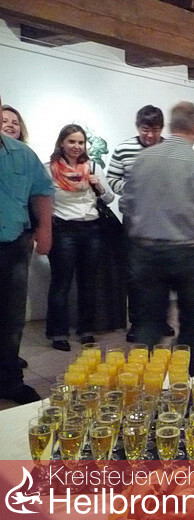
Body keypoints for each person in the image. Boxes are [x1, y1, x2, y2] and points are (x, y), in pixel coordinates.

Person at [120, 101, 194, 377]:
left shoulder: (143, 160)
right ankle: (185, 384)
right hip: (188, 255)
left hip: (146, 252)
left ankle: (144, 386)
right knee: (191, 324)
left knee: (148, 324)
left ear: (170, 126)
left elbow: (126, 204)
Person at [105, 105, 175, 342]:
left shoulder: (171, 151)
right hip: (134, 220)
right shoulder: (123, 149)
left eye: (155, 130)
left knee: (163, 271)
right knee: (136, 273)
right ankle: (137, 322)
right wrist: (135, 188)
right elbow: (112, 179)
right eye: (145, 129)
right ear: (138, 127)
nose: (150, 135)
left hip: (164, 221)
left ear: (162, 128)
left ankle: (161, 320)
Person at [0, 93, 52, 403]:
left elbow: (42, 192)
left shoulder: (22, 154)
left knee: (11, 319)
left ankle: (9, 380)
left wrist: (45, 229)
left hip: (13, 247)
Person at [46, 124, 115, 351]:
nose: (76, 146)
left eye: (80, 142)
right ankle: (58, 333)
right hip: (62, 229)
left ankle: (86, 330)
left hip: (91, 229)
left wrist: (98, 184)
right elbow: (43, 200)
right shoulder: (49, 169)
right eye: (71, 141)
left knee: (89, 283)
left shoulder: (93, 166)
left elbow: (109, 197)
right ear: (62, 143)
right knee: (61, 283)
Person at [2, 105, 32, 369]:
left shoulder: (26, 158)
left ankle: (10, 358)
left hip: (19, 240)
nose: (10, 125)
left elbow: (39, 196)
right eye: (4, 120)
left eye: (15, 121)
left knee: (14, 306)